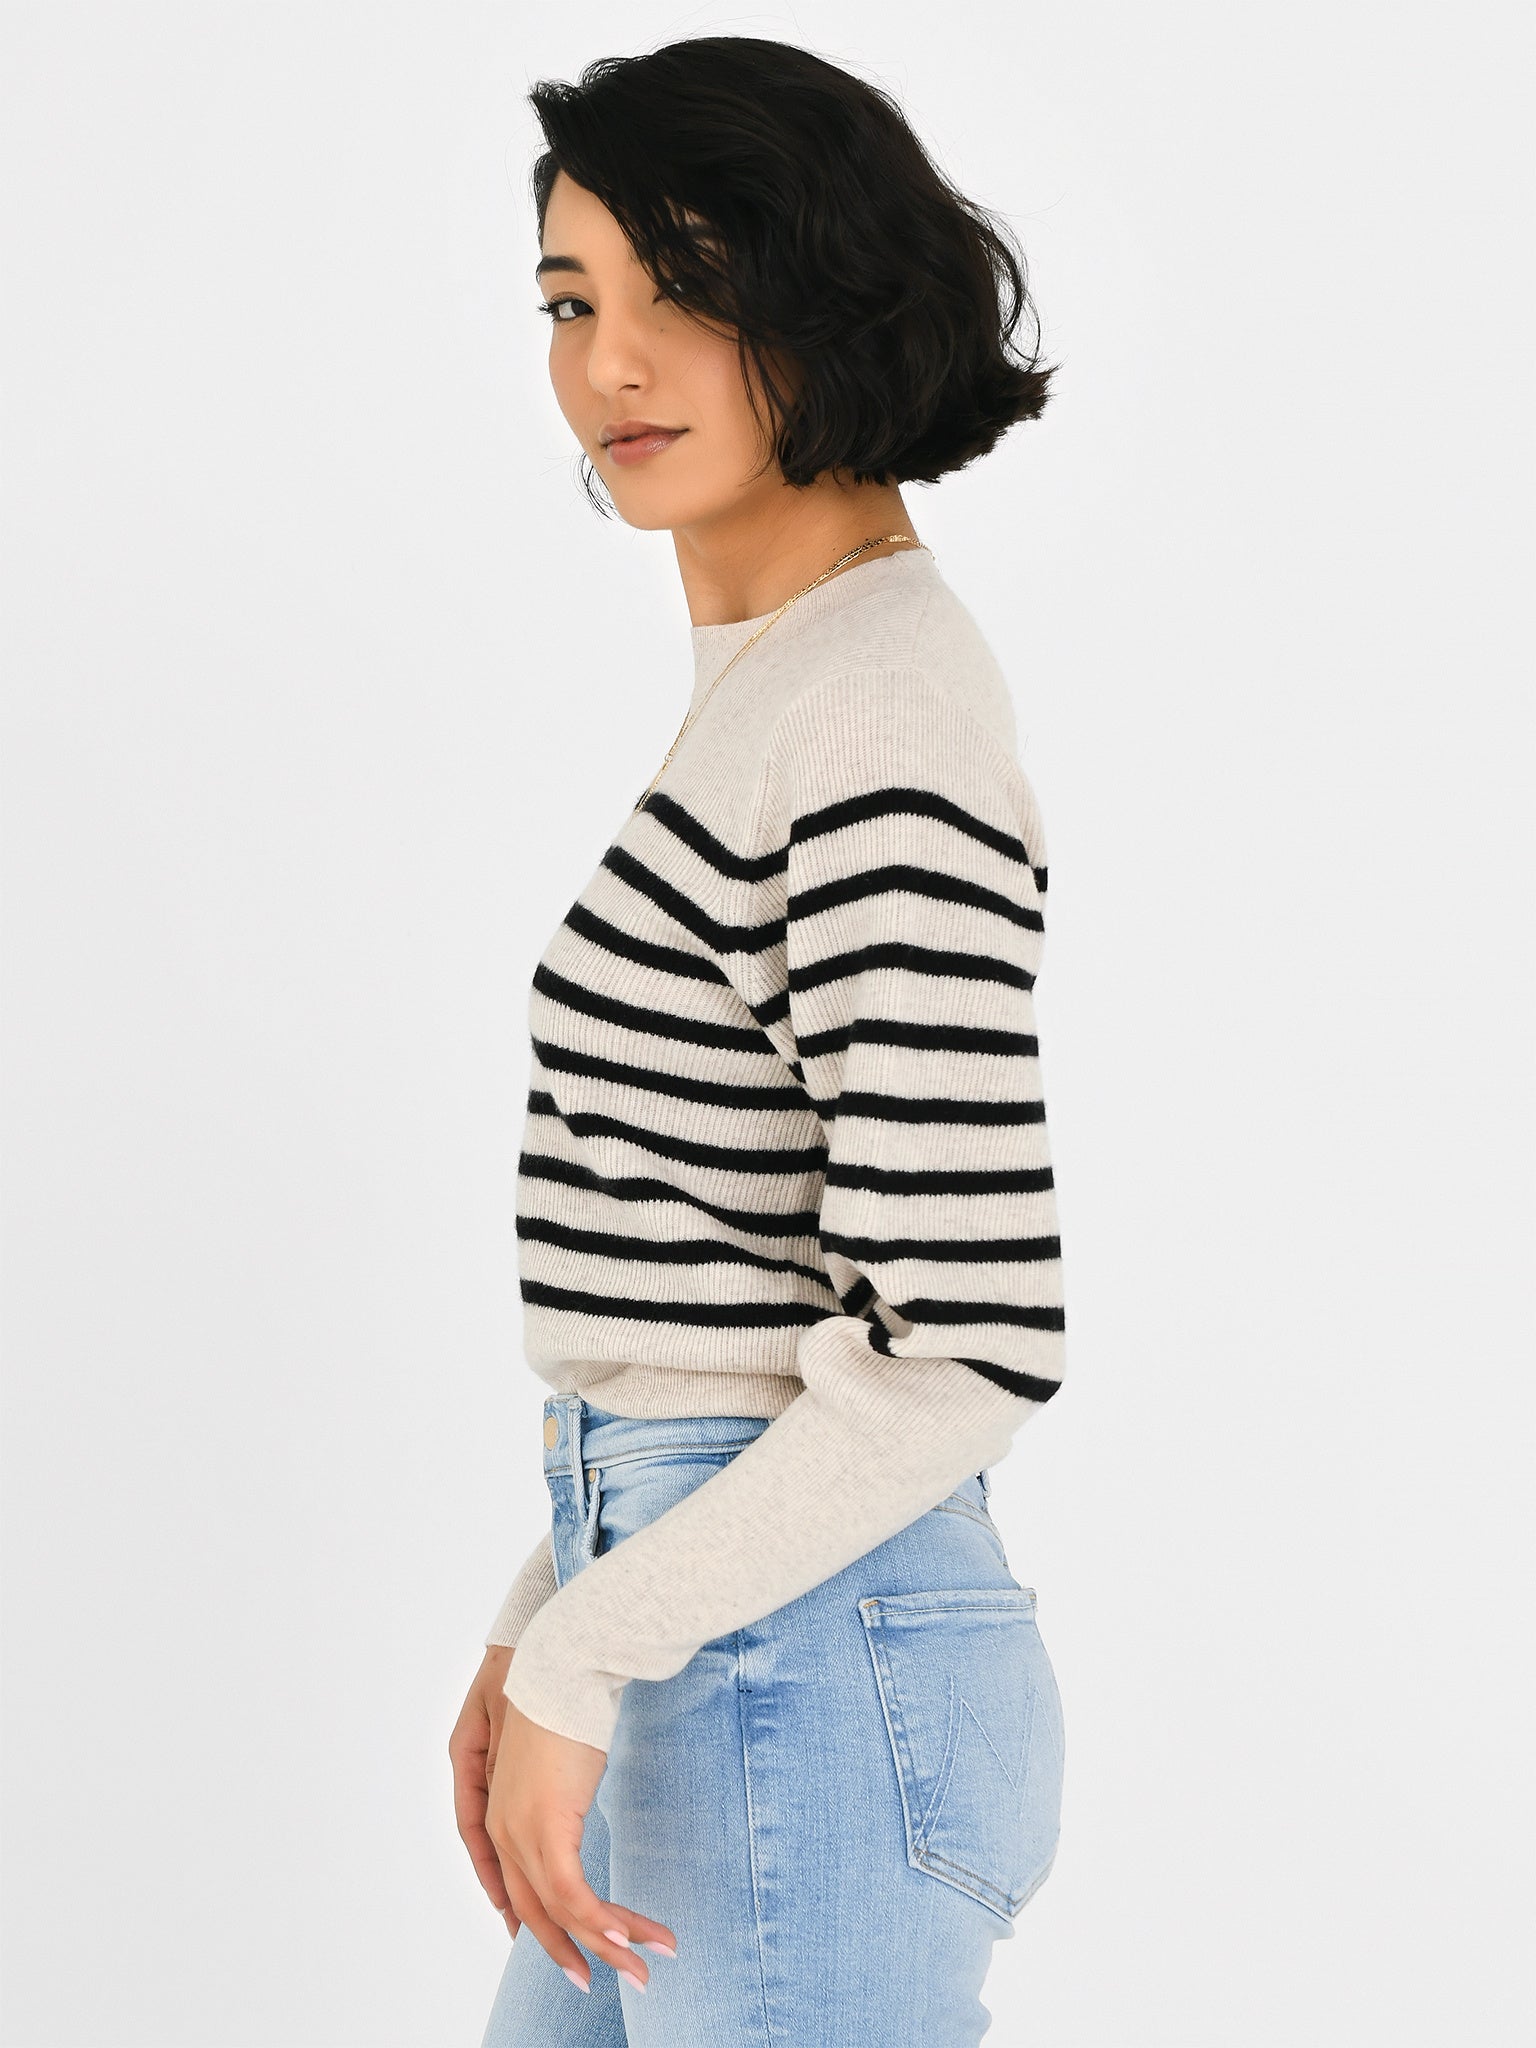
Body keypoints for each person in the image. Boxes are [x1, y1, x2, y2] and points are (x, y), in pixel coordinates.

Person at [448, 35, 1069, 2047]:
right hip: (703, 1616)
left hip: (798, 1668)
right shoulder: (788, 691)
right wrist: (549, 1604)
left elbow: (965, 1337)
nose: (611, 364)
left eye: (690, 291)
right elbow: (723, 1288)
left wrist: (584, 1648)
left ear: (835, 296)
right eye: (573, 302)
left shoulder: (875, 709)